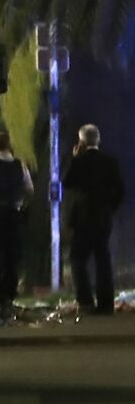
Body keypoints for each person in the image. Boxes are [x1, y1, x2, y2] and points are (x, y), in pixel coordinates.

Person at [62, 124, 124, 315]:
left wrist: (75, 158)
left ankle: (85, 300)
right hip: (103, 217)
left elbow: (67, 182)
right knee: (103, 259)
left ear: (81, 142)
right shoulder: (110, 162)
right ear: (98, 140)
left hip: (82, 218)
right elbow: (120, 190)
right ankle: (106, 304)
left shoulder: (80, 162)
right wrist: (109, 208)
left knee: (77, 258)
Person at [0, 131, 34, 320]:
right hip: (14, 212)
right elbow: (29, 188)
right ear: (9, 145)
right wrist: (21, 203)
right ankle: (10, 292)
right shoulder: (20, 165)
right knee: (12, 254)